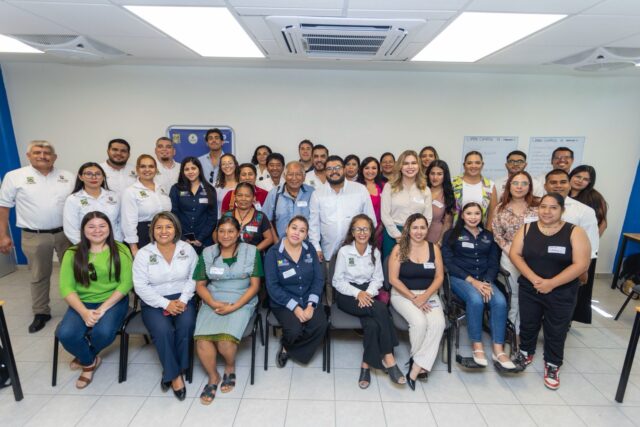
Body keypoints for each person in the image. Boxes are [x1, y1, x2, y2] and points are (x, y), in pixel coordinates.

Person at [510, 193, 591, 390]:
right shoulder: (527, 228)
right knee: (528, 323)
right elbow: (515, 254)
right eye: (543, 206)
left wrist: (551, 283)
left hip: (562, 291)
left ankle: (553, 364)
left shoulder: (575, 232)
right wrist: (533, 279)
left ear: (562, 210)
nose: (547, 211)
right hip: (531, 287)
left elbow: (581, 264)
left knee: (556, 328)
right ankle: (525, 352)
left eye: (553, 207)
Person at [0, 140, 74, 333]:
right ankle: (41, 312)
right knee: (39, 275)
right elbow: (3, 207)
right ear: (29, 156)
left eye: (47, 152)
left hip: (66, 233)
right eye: (37, 152)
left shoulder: (67, 176)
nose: (42, 156)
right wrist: (2, 235)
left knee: (74, 272)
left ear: (54, 157)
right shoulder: (15, 177)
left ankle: (77, 307)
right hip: (35, 235)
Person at [56, 211, 132, 389]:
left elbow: (126, 283)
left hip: (113, 301)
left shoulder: (121, 250)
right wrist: (84, 312)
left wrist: (103, 309)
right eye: (91, 226)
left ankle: (85, 362)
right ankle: (90, 360)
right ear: (83, 230)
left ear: (109, 228)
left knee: (103, 332)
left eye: (102, 226)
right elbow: (66, 287)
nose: (97, 230)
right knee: (65, 334)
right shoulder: (72, 253)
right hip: (82, 302)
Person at [193, 216, 262, 404]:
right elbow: (200, 286)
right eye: (221, 231)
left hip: (242, 299)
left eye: (231, 231)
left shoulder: (251, 251)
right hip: (213, 298)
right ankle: (213, 377)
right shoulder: (208, 253)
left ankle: (230, 367)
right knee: (202, 341)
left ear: (238, 233)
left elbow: (255, 286)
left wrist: (235, 306)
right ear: (216, 233)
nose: (226, 235)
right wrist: (213, 303)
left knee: (224, 342)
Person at [332, 214, 404, 388]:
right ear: (352, 232)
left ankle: (366, 366)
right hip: (347, 294)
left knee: (371, 325)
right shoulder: (344, 251)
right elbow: (337, 281)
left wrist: (368, 293)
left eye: (366, 229)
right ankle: (389, 357)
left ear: (371, 231)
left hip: (368, 293)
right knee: (381, 310)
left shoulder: (374, 251)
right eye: (358, 229)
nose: (362, 232)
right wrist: (358, 293)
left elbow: (378, 279)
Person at [442, 203, 516, 371]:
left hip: (484, 280)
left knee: (500, 302)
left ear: (481, 216)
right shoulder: (451, 235)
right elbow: (448, 262)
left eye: (477, 213)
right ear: (462, 216)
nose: (473, 217)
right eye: (469, 213)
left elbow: (493, 263)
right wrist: (472, 281)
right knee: (476, 300)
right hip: (460, 279)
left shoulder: (488, 236)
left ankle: (498, 350)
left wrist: (487, 281)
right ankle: (477, 345)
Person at [133, 212, 197, 401]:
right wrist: (166, 303)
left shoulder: (187, 249)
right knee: (163, 331)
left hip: (183, 298)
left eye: (168, 227)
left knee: (186, 325)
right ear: (152, 230)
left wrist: (183, 299)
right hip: (154, 301)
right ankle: (175, 375)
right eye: (159, 227)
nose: (163, 231)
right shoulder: (144, 254)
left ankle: (174, 368)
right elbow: (140, 286)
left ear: (176, 229)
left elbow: (194, 277)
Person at [388, 214, 445, 390]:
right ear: (407, 229)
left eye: (422, 227)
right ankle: (420, 366)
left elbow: (439, 277)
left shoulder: (434, 248)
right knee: (419, 323)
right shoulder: (399, 248)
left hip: (429, 294)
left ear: (427, 229)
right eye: (415, 228)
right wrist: (414, 299)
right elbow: (393, 279)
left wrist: (425, 296)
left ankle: (416, 365)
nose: (419, 231)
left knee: (438, 324)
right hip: (403, 295)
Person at [309, 156, 377, 303]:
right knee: (330, 281)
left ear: (344, 169)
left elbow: (370, 220)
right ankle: (330, 309)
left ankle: (355, 306)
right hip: (329, 248)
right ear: (325, 172)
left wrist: (364, 241)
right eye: (329, 168)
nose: (334, 171)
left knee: (354, 279)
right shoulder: (317, 194)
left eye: (337, 167)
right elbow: (313, 224)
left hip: (355, 247)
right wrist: (316, 247)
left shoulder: (359, 190)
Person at [265, 216, 328, 367]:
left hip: (307, 297)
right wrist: (295, 307)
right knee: (294, 330)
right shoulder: (273, 253)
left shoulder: (310, 249)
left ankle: (287, 347)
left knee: (320, 325)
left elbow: (318, 279)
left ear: (306, 235)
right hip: (283, 301)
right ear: (286, 228)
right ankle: (287, 346)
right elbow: (272, 286)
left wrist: (311, 305)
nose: (296, 233)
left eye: (302, 230)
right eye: (294, 228)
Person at [544, 169, 599, 325]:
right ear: (546, 186)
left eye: (563, 182)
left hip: (569, 268)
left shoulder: (584, 211)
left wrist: (583, 271)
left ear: (569, 185)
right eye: (553, 182)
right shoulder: (537, 206)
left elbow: (591, 245)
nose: (558, 186)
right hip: (539, 266)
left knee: (560, 314)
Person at [491, 172, 538, 332]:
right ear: (509, 186)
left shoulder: (537, 207)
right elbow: (497, 234)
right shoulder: (500, 208)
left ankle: (526, 328)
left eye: (524, 183)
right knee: (514, 293)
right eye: (515, 183)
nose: (519, 187)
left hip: (534, 255)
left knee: (531, 293)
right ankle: (512, 330)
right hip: (509, 254)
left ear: (529, 187)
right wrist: (512, 252)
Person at [380, 150, 433, 259]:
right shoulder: (389, 186)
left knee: (412, 267)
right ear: (400, 166)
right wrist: (397, 235)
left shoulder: (425, 189)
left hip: (417, 235)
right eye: (406, 163)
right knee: (390, 265)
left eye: (413, 163)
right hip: (393, 234)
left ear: (419, 166)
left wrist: (419, 233)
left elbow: (428, 216)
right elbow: (385, 214)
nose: (410, 167)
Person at [121, 155, 171, 257]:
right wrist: (134, 248)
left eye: (151, 166)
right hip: (142, 236)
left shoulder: (161, 188)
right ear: (137, 169)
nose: (147, 170)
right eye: (143, 166)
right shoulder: (131, 191)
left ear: (156, 169)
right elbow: (128, 222)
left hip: (164, 234)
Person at [63, 162, 122, 244]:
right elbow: (71, 229)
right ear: (81, 177)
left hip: (113, 244)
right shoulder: (73, 199)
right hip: (85, 246)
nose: (94, 177)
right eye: (88, 174)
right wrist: (88, 247)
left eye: (98, 174)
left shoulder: (114, 196)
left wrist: (116, 243)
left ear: (103, 177)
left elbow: (120, 222)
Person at [169, 157, 217, 254]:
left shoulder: (209, 189)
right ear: (183, 172)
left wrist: (200, 238)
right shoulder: (176, 189)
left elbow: (212, 217)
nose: (190, 172)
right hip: (181, 239)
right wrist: (183, 237)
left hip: (204, 240)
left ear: (199, 169)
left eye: (193, 168)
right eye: (187, 169)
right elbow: (173, 215)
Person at [217, 183, 274, 253]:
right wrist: (223, 248)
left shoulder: (260, 216)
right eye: (239, 195)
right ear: (235, 197)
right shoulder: (227, 215)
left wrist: (253, 251)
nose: (243, 199)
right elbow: (216, 233)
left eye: (247, 196)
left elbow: (269, 238)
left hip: (253, 257)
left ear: (253, 198)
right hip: (229, 255)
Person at [262, 161, 314, 239]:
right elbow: (266, 220)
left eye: (298, 174)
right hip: (280, 242)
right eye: (290, 174)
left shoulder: (312, 193)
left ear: (304, 177)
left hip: (306, 243)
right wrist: (276, 242)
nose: (294, 178)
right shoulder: (274, 194)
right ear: (284, 176)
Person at [452, 151, 497, 225]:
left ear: (482, 165)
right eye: (469, 163)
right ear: (464, 165)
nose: (473, 166)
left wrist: (488, 231)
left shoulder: (490, 185)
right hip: (455, 230)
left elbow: (492, 214)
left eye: (477, 163)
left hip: (480, 230)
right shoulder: (453, 183)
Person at [569, 165, 608, 236]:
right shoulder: (562, 193)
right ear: (571, 176)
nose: (580, 181)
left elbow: (603, 224)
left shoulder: (595, 197)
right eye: (578, 177)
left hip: (582, 239)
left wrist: (592, 240)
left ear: (590, 182)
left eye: (585, 179)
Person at [357, 157, 385, 248]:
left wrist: (378, 230)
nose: (370, 171)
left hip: (380, 230)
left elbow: (388, 210)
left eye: (374, 168)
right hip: (360, 231)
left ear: (378, 170)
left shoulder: (384, 187)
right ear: (362, 170)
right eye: (367, 168)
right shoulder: (356, 187)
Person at [425, 160, 455, 245]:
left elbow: (448, 223)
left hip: (436, 238)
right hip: (417, 236)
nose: (435, 177)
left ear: (445, 176)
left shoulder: (448, 195)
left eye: (439, 174)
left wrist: (440, 242)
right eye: (432, 173)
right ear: (428, 174)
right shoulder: (421, 191)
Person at [214, 153, 239, 217]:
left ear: (235, 165)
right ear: (220, 167)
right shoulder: (216, 186)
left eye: (230, 163)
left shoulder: (242, 184)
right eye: (223, 164)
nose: (227, 166)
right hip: (221, 220)